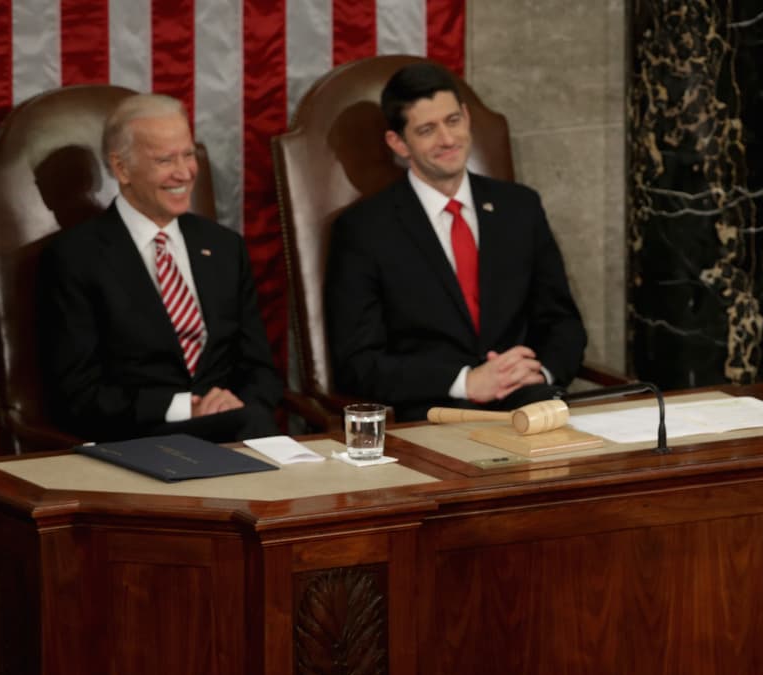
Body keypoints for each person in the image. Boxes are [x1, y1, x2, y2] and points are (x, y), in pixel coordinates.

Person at [325, 62, 587, 421]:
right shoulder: (364, 230)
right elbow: (358, 363)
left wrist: (539, 372)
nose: (448, 140)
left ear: (466, 117)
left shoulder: (520, 207)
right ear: (398, 143)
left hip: (527, 402)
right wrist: (465, 382)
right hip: (432, 413)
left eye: (452, 121)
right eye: (427, 130)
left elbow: (563, 323)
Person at [38, 94, 282, 443]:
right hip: (140, 439)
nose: (184, 173)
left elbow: (260, 368)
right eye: (165, 160)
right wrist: (185, 408)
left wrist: (236, 404)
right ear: (122, 169)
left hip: (236, 430)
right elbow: (77, 395)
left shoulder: (225, 246)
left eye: (188, 154)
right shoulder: (74, 258)